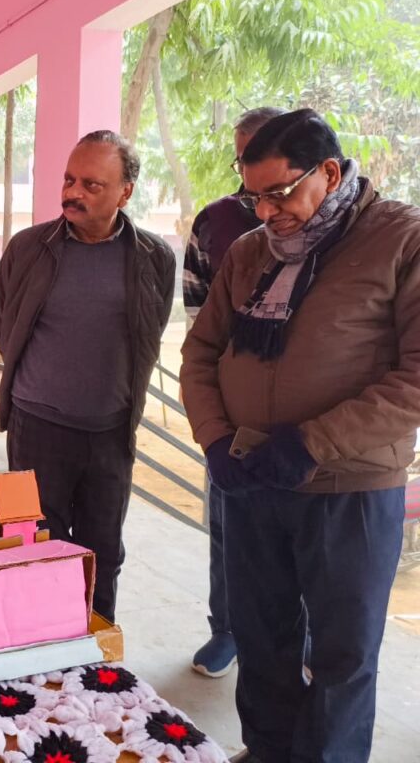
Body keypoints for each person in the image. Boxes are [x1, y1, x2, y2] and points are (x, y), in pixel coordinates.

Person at [180, 109, 420, 763]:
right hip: (251, 478)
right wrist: (214, 439)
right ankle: (267, 751)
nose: (266, 212)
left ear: (330, 173)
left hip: (349, 489)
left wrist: (312, 443)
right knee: (262, 640)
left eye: (279, 193)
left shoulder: (401, 240)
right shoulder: (250, 253)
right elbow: (200, 354)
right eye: (253, 196)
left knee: (343, 656)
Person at [0, 131, 175, 622]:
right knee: (37, 547)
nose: (73, 192)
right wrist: (48, 381)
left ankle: (95, 644)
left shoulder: (154, 257)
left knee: (103, 553)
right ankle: (42, 641)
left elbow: (149, 334)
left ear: (125, 193)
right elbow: (2, 325)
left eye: (91, 185)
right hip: (36, 429)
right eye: (69, 180)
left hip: (111, 433)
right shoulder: (29, 248)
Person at [184, 106, 286, 679]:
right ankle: (226, 630)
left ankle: (298, 640)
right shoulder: (216, 222)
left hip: (301, 417)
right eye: (242, 158)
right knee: (226, 525)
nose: (250, 173)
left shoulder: (334, 230)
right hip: (230, 411)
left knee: (295, 535)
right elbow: (198, 319)